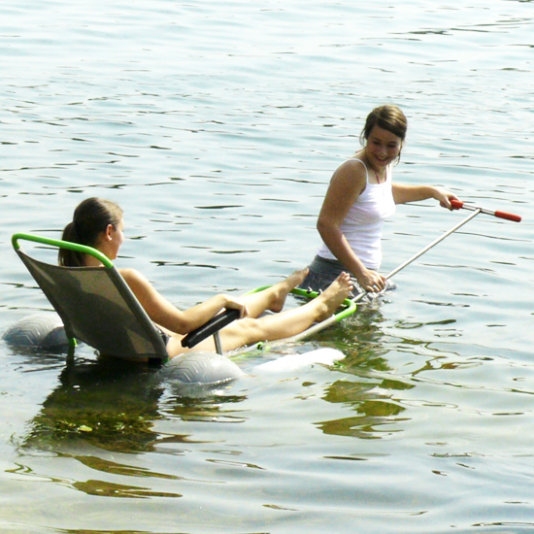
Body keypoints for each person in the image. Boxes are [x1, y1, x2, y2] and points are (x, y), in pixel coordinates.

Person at [59, 198, 353, 359]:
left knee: (220, 315)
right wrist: (221, 299)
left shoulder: (67, 275)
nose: (124, 238)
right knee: (247, 326)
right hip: (160, 352)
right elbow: (183, 325)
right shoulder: (124, 278)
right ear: (109, 232)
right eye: (123, 231)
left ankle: (275, 294)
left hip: (119, 349)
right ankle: (321, 306)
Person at [301, 104, 459, 297]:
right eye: (376, 143)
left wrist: (432, 191)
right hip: (334, 275)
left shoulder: (382, 167)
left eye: (391, 145)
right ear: (366, 137)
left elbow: (380, 195)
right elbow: (326, 225)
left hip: (363, 275)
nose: (383, 152)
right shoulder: (354, 171)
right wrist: (361, 272)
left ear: (401, 143)